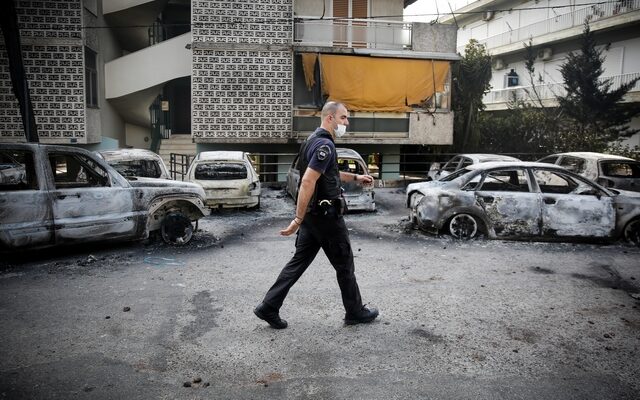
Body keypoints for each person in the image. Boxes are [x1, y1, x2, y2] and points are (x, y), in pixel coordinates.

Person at [254, 101, 379, 329]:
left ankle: (268, 307)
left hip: (314, 218)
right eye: (343, 118)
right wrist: (297, 219)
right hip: (325, 217)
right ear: (329, 118)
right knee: (345, 265)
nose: (346, 123)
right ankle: (355, 312)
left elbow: (327, 173)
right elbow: (308, 181)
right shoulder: (325, 145)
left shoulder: (312, 141)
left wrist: (355, 178)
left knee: (298, 262)